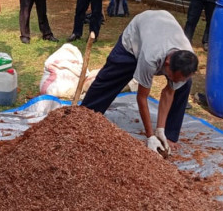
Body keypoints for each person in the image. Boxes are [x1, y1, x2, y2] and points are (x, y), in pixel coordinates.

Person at [81, 10, 198, 155]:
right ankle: (83, 117)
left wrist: (160, 130)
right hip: (136, 36)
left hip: (163, 27)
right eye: (173, 78)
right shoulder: (151, 58)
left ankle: (170, 136)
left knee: (185, 85)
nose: (174, 81)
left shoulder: (186, 58)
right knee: (109, 78)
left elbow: (169, 92)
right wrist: (150, 136)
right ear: (167, 63)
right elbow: (142, 97)